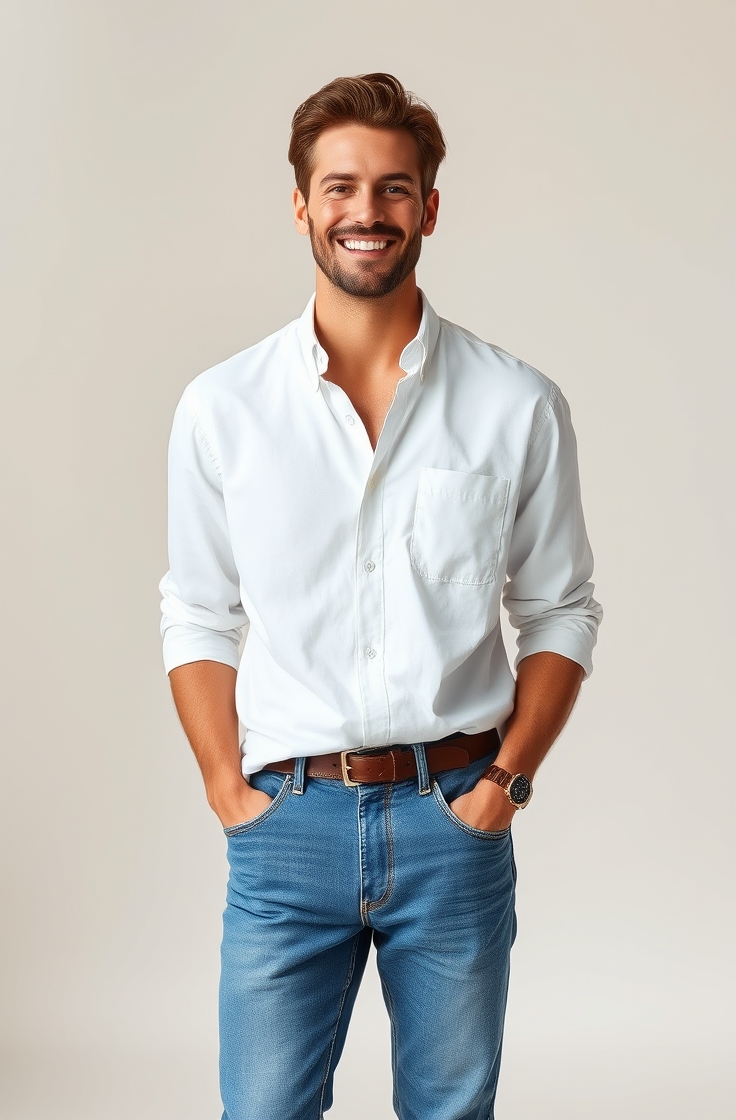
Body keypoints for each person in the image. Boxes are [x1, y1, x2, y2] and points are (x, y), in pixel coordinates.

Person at [159, 72, 602, 1120]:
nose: (368, 212)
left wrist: (503, 784)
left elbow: (561, 610)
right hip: (287, 822)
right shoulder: (222, 408)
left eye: (394, 189)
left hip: (453, 816)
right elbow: (196, 608)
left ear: (429, 209)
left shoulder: (515, 405)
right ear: (302, 204)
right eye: (342, 187)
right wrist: (230, 790)